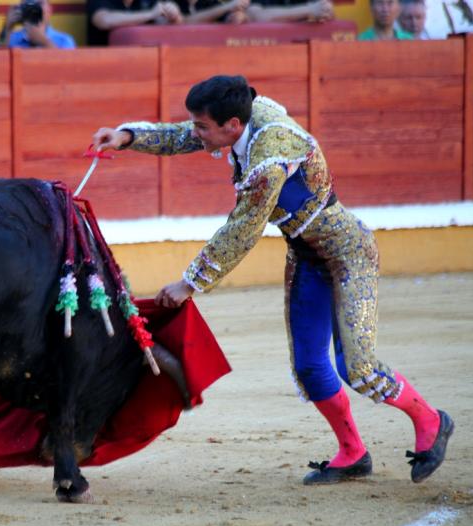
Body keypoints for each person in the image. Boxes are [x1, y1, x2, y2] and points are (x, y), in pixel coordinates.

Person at [91, 74, 454, 485]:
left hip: (348, 254)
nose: (196, 133)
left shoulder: (269, 159)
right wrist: (126, 135)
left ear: (232, 126)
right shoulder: (241, 120)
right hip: (306, 256)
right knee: (310, 366)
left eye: (202, 126)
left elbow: (243, 229)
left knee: (357, 366)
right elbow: (183, 135)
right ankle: (352, 452)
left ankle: (430, 420)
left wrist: (190, 283)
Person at [86, 0, 183, 46]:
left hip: (145, 63)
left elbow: (164, 22)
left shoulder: (148, 1)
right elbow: (103, 20)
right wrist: (150, 14)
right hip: (106, 63)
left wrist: (173, 15)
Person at [0, 0, 75, 49]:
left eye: (40, 2)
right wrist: (7, 28)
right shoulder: (10, 39)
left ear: (49, 10)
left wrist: (44, 42)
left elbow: (67, 71)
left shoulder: (64, 40)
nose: (34, 8)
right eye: (28, 3)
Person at [245, 0, 334, 23]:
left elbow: (326, 9)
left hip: (304, 45)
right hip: (268, 50)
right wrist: (309, 10)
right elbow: (255, 15)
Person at [181, 0, 249, 24]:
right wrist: (227, 6)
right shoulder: (173, 3)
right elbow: (185, 21)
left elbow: (227, 18)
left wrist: (237, 16)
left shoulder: (210, 2)